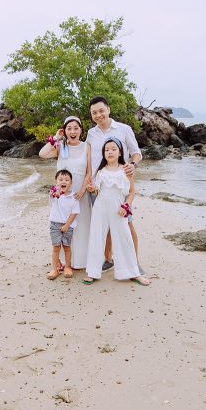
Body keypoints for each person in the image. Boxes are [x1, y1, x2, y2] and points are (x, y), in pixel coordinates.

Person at [84, 96, 142, 270]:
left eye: (101, 110)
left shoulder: (124, 129)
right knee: (105, 225)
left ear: (108, 109)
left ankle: (134, 263)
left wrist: (133, 164)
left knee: (127, 223)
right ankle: (108, 259)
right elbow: (89, 158)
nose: (98, 115)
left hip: (119, 185)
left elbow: (136, 152)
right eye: (94, 113)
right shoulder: (91, 133)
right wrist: (87, 177)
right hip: (98, 186)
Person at [83, 139, 149, 286]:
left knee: (124, 238)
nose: (110, 152)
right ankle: (92, 272)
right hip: (100, 207)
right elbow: (97, 190)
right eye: (107, 150)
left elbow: (132, 192)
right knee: (96, 237)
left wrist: (126, 206)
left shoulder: (126, 170)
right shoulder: (100, 171)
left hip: (119, 209)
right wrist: (91, 189)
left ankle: (133, 272)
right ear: (103, 154)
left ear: (120, 152)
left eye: (113, 149)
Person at [38, 115, 90, 270]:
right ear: (65, 130)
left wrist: (82, 190)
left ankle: (79, 260)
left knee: (80, 225)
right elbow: (42, 154)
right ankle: (61, 261)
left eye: (76, 128)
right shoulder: (60, 147)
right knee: (62, 223)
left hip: (80, 191)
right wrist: (55, 137)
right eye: (69, 128)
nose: (72, 131)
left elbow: (89, 172)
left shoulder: (87, 146)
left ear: (81, 130)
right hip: (62, 193)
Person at [47, 169, 81, 280]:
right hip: (55, 224)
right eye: (60, 179)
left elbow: (74, 213)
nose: (63, 182)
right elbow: (52, 195)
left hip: (68, 225)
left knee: (67, 247)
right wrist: (56, 193)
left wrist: (67, 225)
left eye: (67, 180)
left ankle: (67, 267)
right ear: (56, 181)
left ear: (71, 183)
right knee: (56, 247)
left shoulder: (74, 197)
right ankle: (55, 269)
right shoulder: (55, 195)